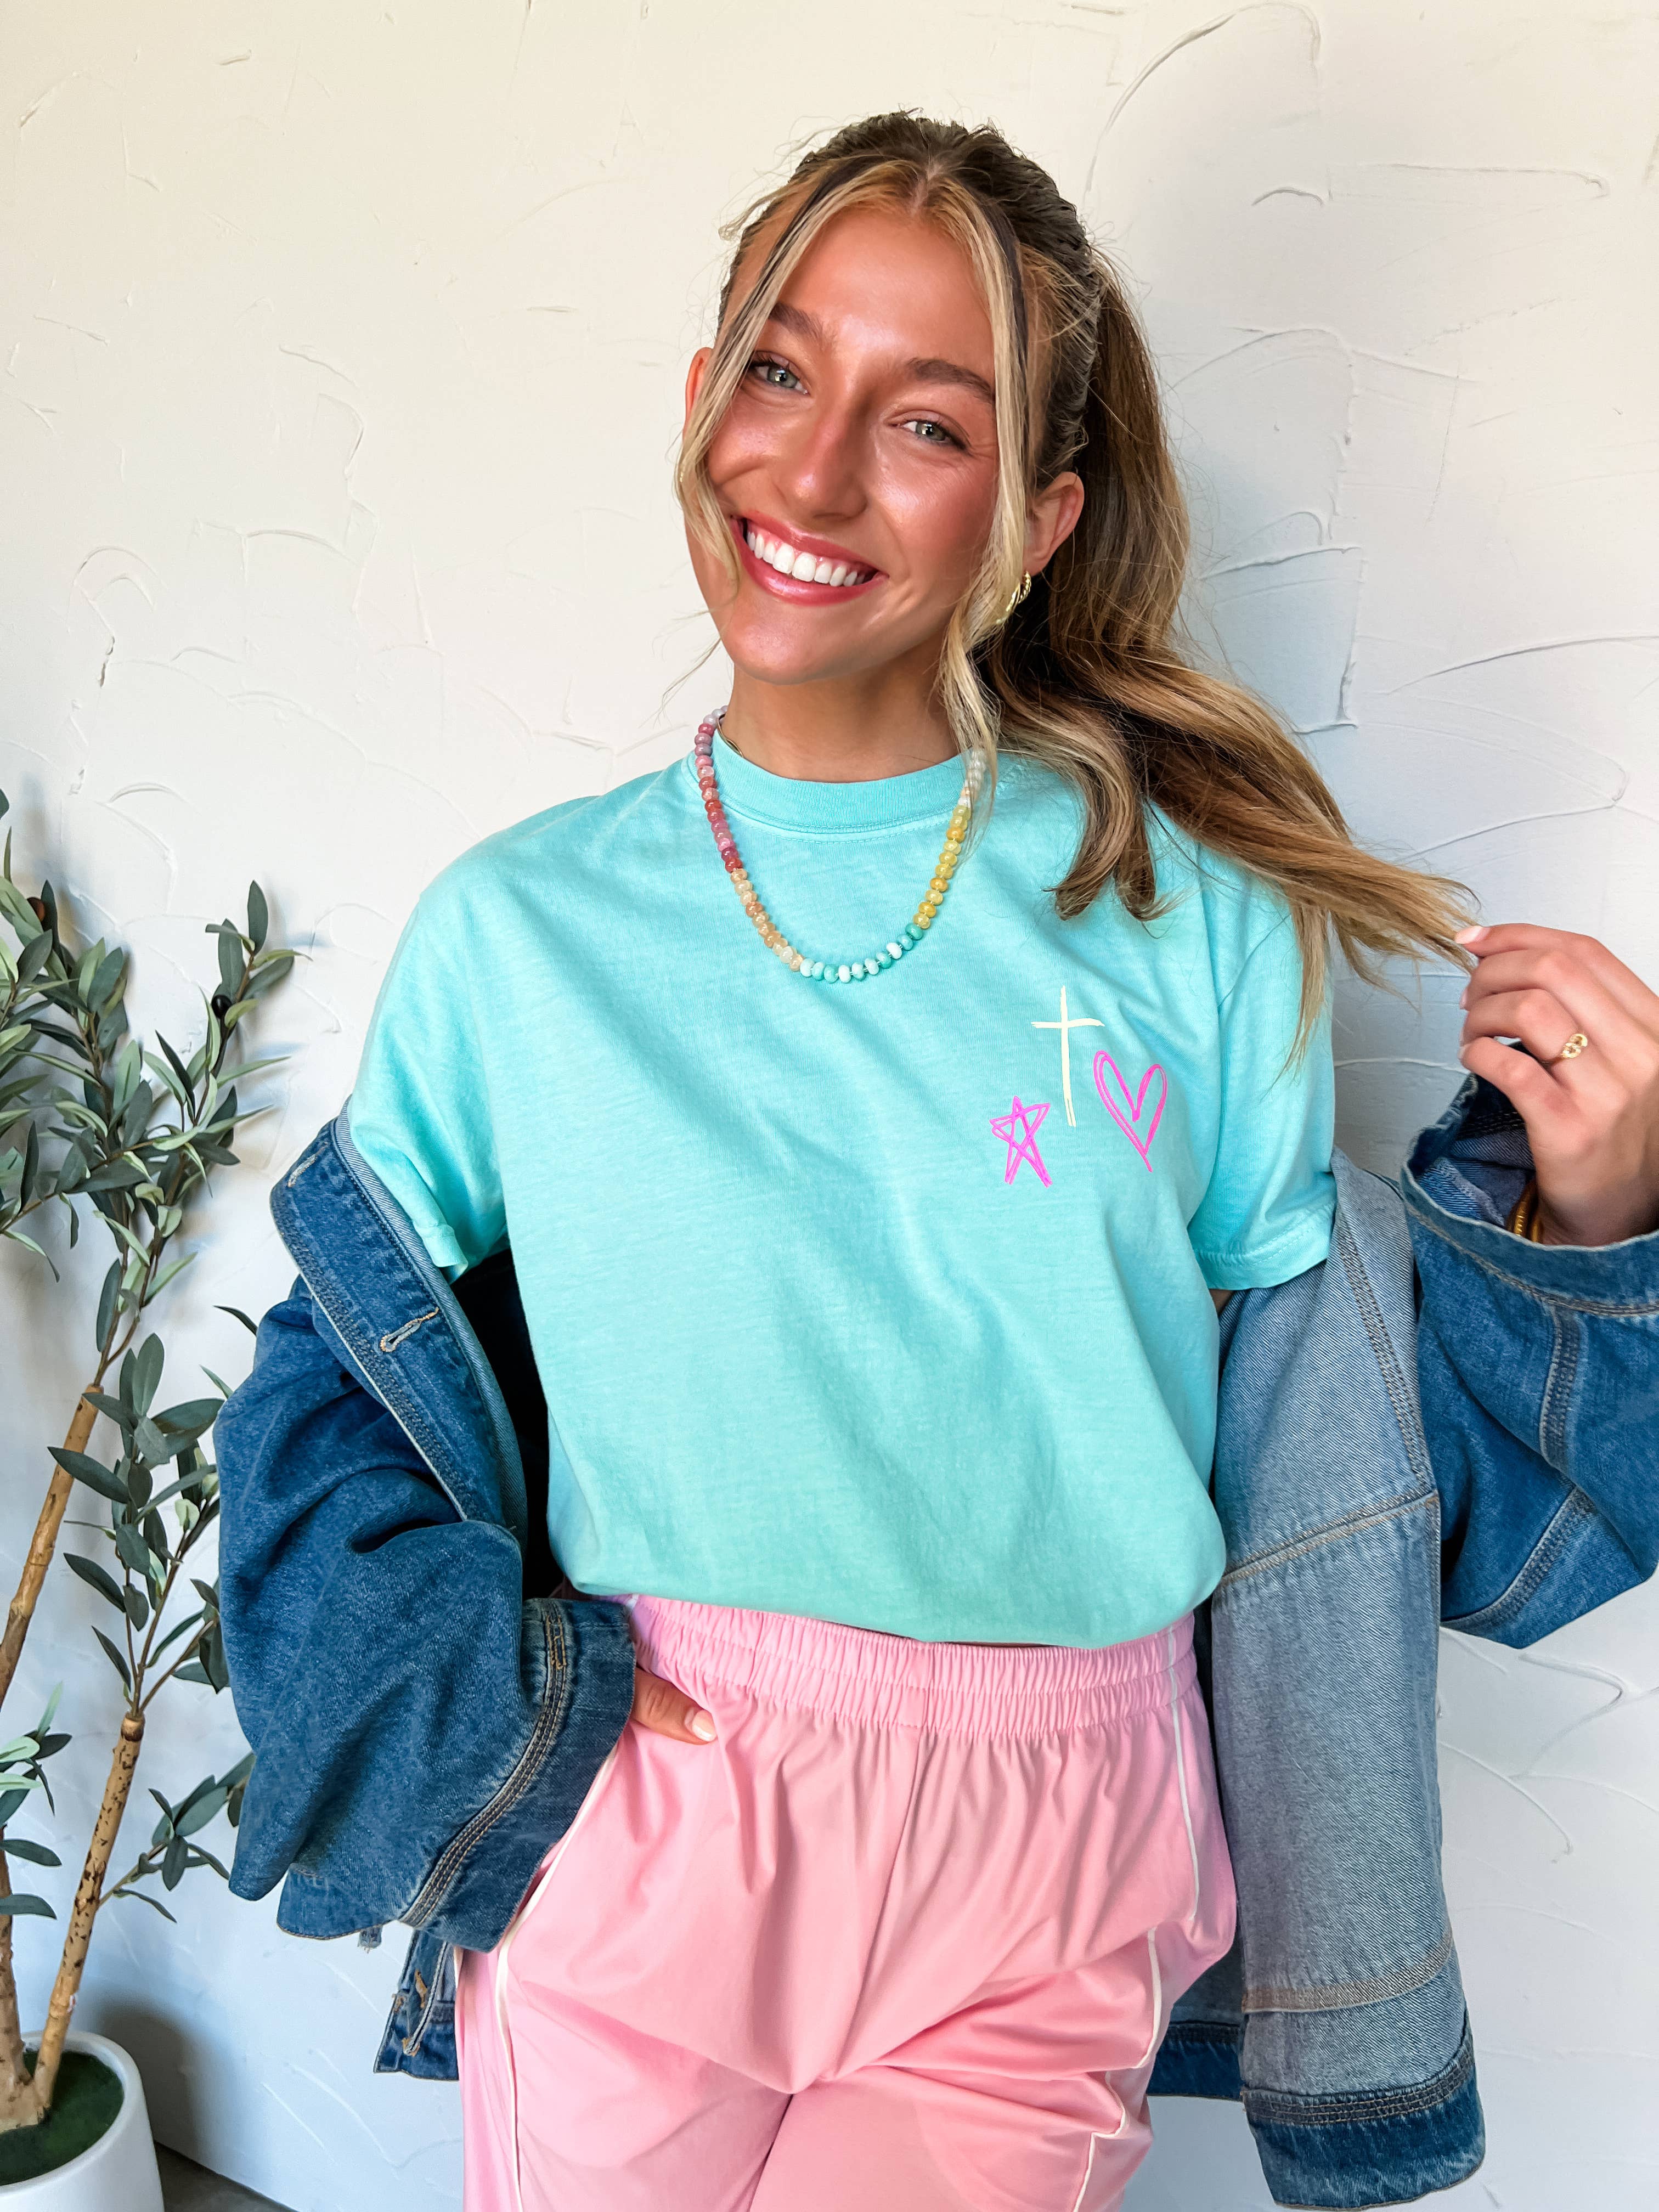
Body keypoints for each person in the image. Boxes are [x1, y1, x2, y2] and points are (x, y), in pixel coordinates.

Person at [215, 115, 1659, 2212]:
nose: (810, 478)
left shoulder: (1200, 927)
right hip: (651, 1793)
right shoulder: (515, 934)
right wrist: (506, 1721)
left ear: (1040, 518)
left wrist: (1590, 1219)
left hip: (1060, 1836)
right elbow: (344, 1375)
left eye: (927, 424)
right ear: (700, 395)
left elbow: (1316, 1419)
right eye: (777, 370)